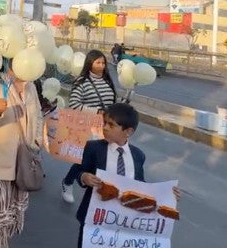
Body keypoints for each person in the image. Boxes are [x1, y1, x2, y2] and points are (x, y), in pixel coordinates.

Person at [73, 102, 180, 247]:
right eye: (104, 123)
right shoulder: (94, 148)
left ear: (128, 131)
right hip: (94, 218)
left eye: (111, 125)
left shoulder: (138, 156)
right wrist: (84, 177)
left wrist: (167, 194)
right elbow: (79, 171)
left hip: (124, 221)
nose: (104, 128)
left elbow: (141, 187)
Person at [0, 60, 43, 248]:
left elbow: (38, 116)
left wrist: (37, 141)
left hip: (23, 160)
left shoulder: (31, 87)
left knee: (12, 209)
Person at [62, 50, 118, 204]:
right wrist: (97, 111)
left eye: (103, 63)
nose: (101, 66)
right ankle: (68, 182)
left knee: (104, 159)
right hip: (89, 128)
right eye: (98, 63)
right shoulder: (82, 81)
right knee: (85, 159)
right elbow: (74, 105)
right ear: (90, 63)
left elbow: (112, 101)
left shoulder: (107, 80)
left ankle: (98, 190)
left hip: (107, 127)